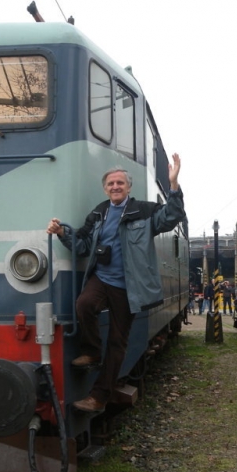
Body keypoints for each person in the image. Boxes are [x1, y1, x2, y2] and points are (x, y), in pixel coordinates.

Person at [46, 155, 185, 412]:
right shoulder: (99, 213)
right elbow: (84, 245)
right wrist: (63, 233)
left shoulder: (144, 211)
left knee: (117, 343)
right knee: (84, 305)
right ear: (105, 188)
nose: (115, 187)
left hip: (128, 287)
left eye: (120, 183)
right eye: (111, 183)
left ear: (128, 187)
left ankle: (99, 396)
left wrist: (173, 185)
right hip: (102, 278)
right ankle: (92, 351)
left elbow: (172, 217)